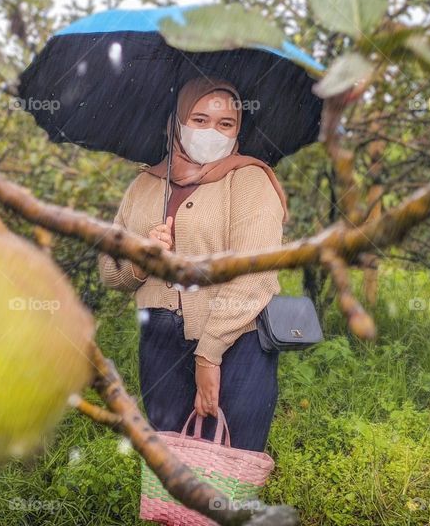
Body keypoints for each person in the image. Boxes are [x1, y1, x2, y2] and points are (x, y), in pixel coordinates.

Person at [97, 76, 288, 452]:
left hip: (237, 340)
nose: (212, 132)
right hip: (160, 341)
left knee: (231, 458)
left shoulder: (249, 180)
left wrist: (209, 353)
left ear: (238, 131)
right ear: (177, 123)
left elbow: (255, 275)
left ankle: (226, 513)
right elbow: (110, 272)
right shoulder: (145, 185)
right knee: (171, 460)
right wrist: (143, 258)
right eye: (200, 120)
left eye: (225, 124)